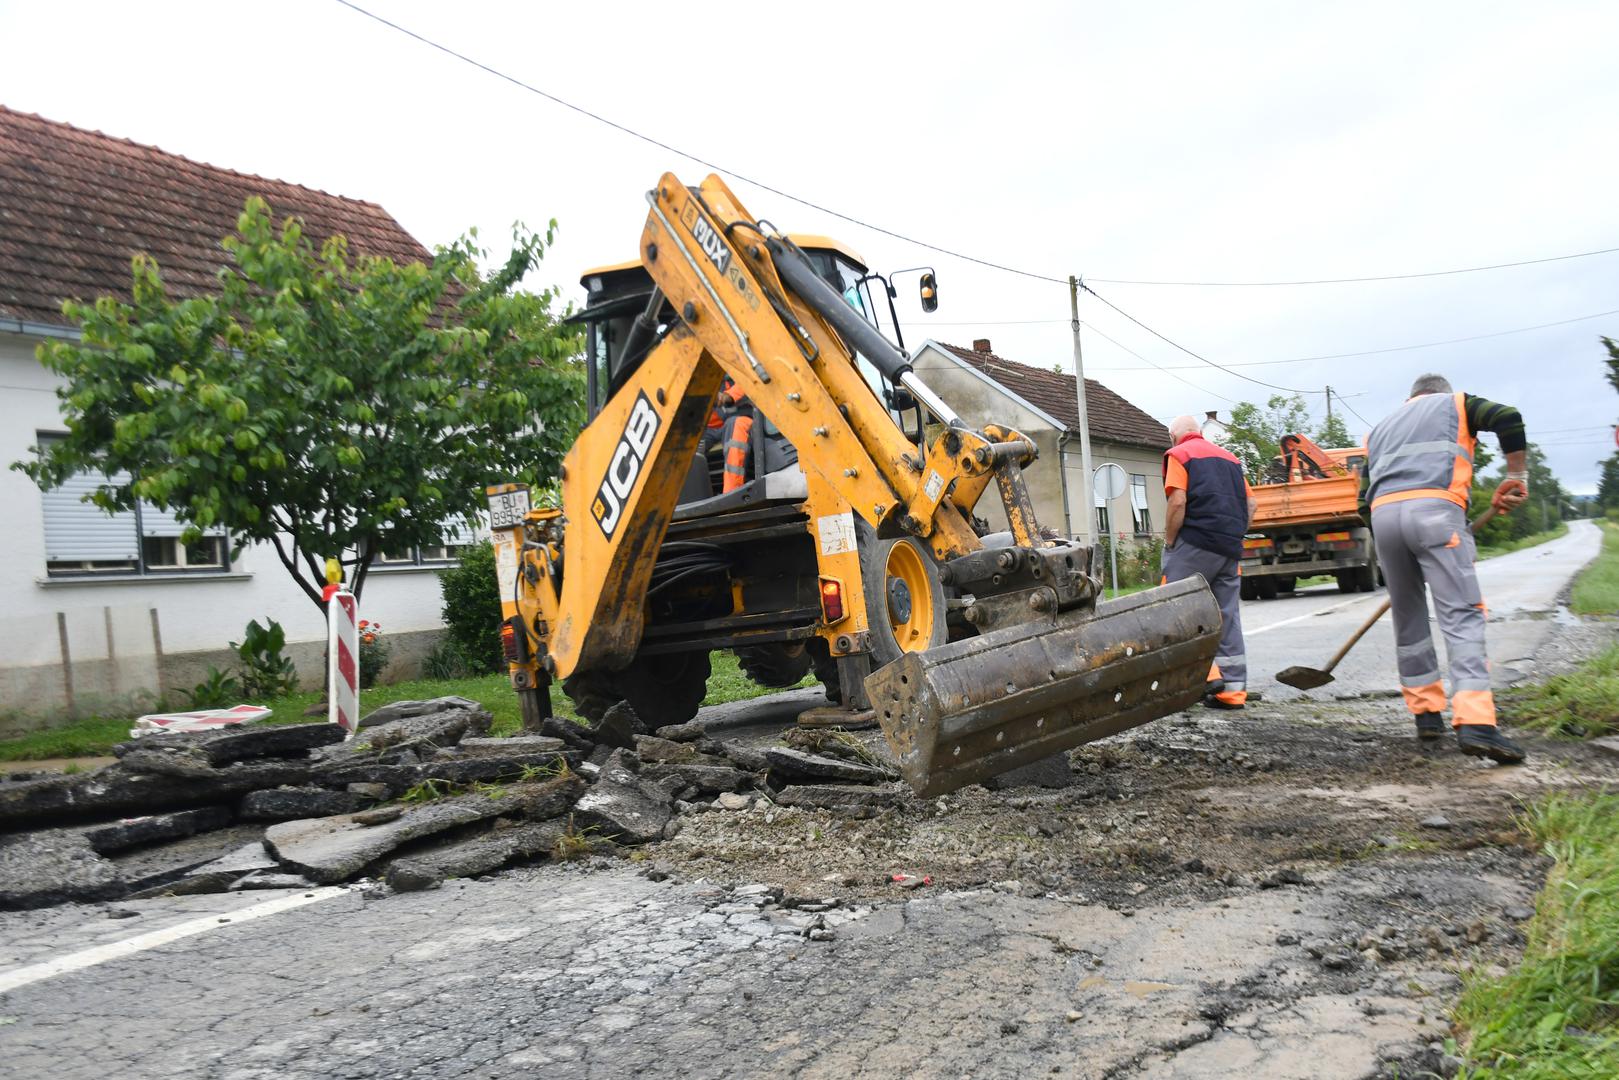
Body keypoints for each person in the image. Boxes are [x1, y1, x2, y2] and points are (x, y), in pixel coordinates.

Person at [1366, 373, 1529, 762]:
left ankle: (1426, 715)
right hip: (1436, 512)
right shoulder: (1455, 404)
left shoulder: (1380, 429)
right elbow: (1509, 418)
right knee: (1461, 616)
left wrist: (1400, 543)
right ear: (1438, 393)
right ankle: (1476, 723)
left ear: (1412, 397)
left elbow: (1362, 498)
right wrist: (1516, 477)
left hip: (1383, 520)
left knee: (1409, 619)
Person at [1162, 415, 1258, 708]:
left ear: (1173, 436)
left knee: (1174, 610)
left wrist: (1169, 541)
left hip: (1193, 545)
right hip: (1229, 548)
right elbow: (1251, 503)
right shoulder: (1230, 459)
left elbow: (1178, 501)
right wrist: (1235, 534)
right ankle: (1232, 693)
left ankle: (1208, 677)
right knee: (1226, 615)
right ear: (1199, 432)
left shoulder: (1180, 454)